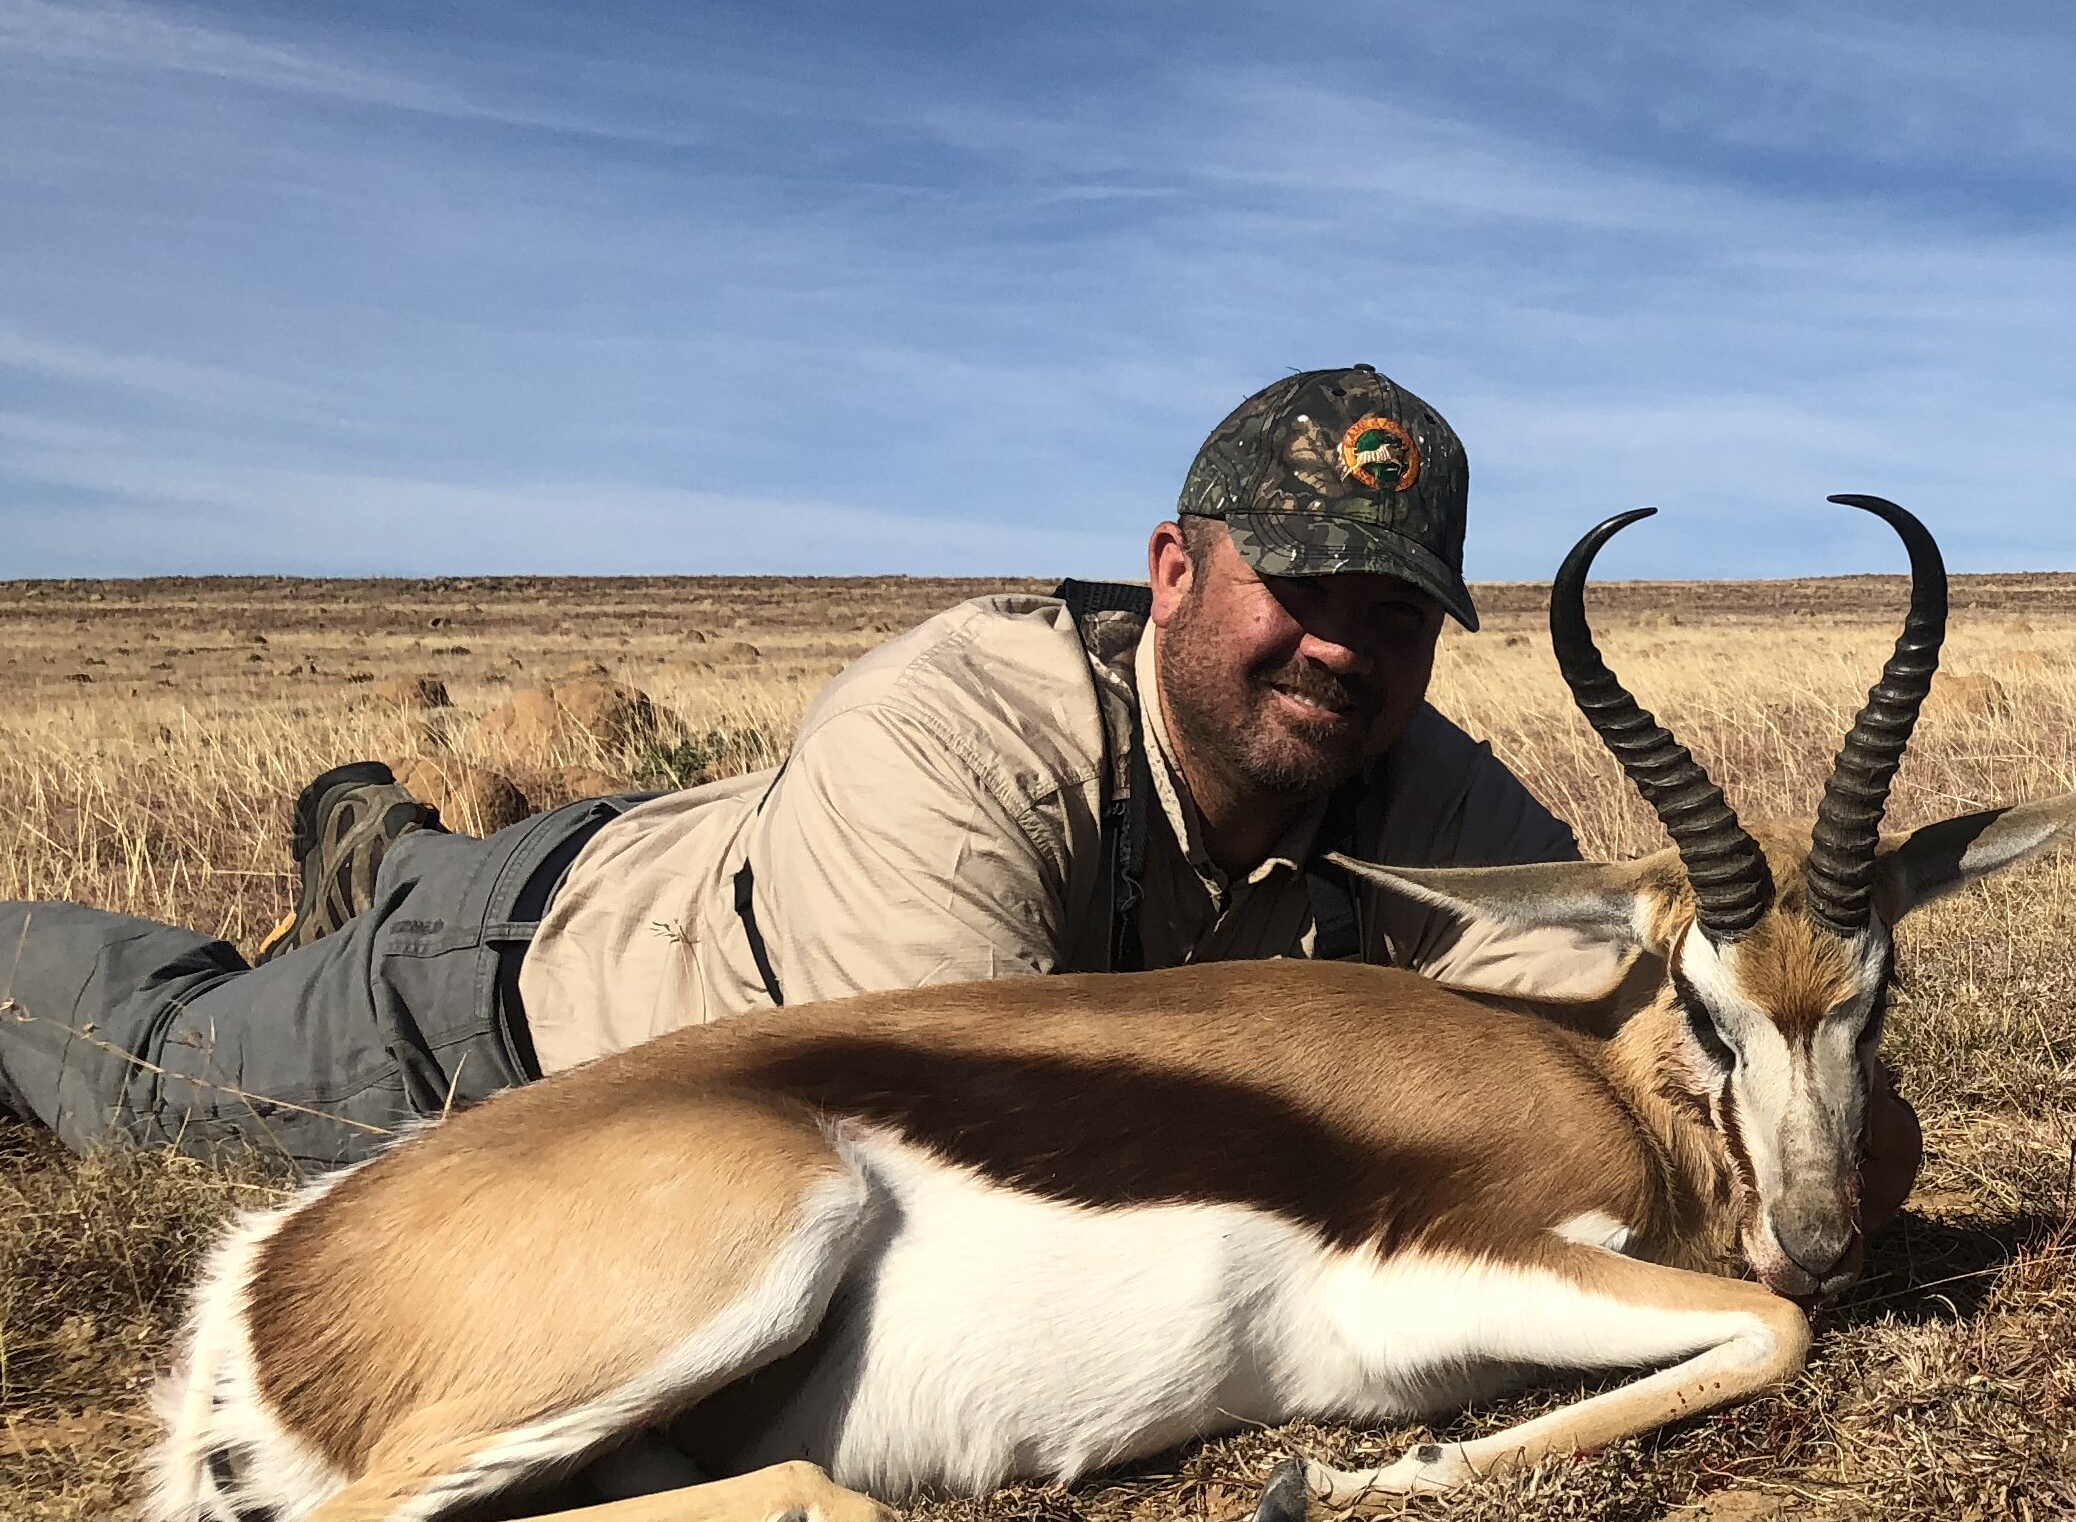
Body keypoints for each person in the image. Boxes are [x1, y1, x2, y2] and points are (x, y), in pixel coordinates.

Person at [0, 367, 1605, 1172]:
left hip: (686, 852)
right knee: (149, 1069)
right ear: (1173, 571)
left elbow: (1638, 1001)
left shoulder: (1399, 769)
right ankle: (368, 887)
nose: (1345, 647)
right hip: (500, 1012)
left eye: (1397, 612)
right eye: (1303, 589)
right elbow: (998, 1171)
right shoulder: (958, 732)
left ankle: (384, 848)